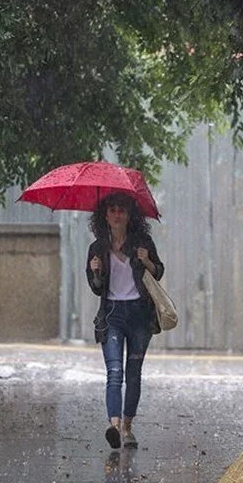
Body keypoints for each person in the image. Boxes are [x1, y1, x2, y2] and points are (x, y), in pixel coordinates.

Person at [86, 192, 164, 449]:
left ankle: (128, 425)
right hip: (112, 315)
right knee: (114, 372)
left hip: (140, 315)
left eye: (122, 210)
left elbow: (159, 272)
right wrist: (96, 272)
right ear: (105, 215)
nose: (117, 214)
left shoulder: (142, 242)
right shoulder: (97, 248)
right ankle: (114, 425)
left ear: (130, 216)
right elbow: (97, 288)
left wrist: (147, 261)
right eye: (113, 210)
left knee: (133, 374)